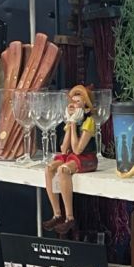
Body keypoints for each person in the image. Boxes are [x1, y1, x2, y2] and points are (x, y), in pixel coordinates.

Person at [43, 85, 97, 235]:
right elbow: (64, 148)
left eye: (77, 101)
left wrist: (73, 125)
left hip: (86, 158)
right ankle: (57, 214)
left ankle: (69, 217)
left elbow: (78, 149)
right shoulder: (71, 121)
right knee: (49, 168)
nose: (73, 105)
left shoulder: (88, 122)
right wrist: (70, 123)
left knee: (63, 170)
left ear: (86, 107)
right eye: (72, 101)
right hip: (71, 156)